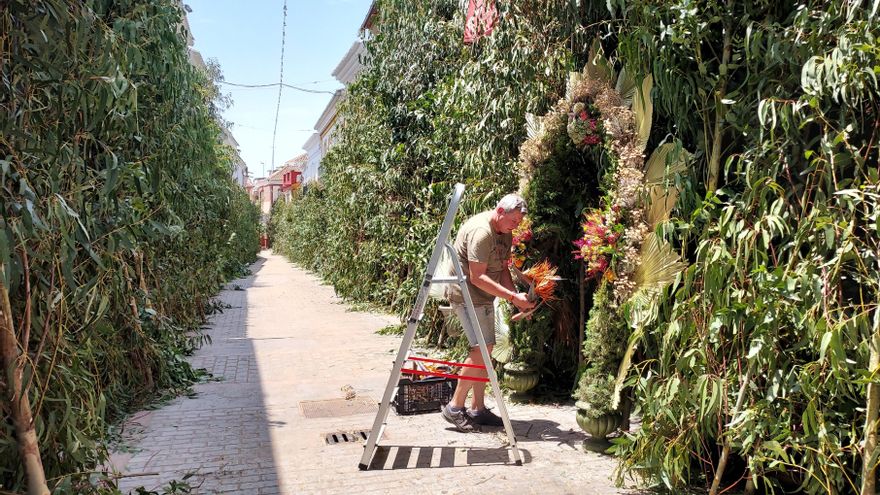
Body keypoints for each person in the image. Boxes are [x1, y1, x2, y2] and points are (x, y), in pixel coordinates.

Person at [441, 193, 535, 432]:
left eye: (518, 223)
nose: (515, 227)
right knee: (482, 349)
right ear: (500, 212)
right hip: (467, 295)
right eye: (513, 221)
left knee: (485, 348)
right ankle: (454, 407)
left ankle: (478, 409)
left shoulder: (505, 232)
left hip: (483, 297)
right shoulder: (481, 232)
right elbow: (477, 277)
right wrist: (513, 297)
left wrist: (517, 300)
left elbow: (503, 269)